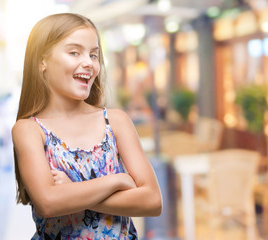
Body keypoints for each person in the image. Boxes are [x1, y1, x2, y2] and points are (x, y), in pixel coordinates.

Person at [12, 13, 162, 240]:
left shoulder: (116, 121)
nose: (89, 63)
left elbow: (152, 201)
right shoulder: (29, 129)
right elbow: (49, 203)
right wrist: (116, 181)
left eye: (94, 55)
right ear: (42, 60)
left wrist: (73, 189)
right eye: (74, 52)